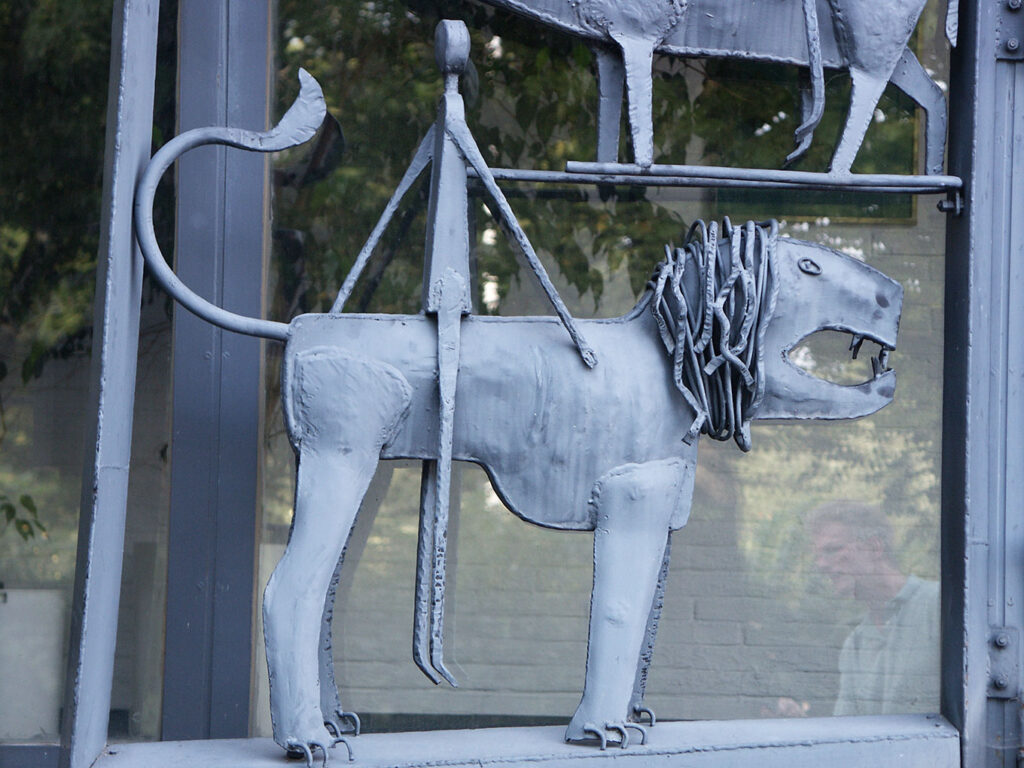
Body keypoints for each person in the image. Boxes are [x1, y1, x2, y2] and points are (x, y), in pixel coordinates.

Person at [808, 501, 939, 715]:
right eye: (818, 556)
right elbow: (847, 737)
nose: (821, 565)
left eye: (832, 550)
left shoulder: (938, 605)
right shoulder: (855, 645)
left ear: (874, 548)